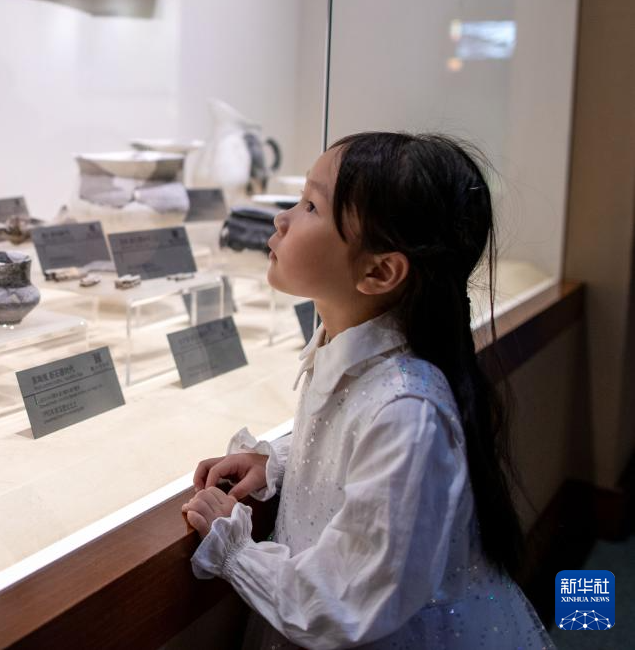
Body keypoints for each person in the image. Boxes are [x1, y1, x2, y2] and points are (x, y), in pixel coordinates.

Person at [182, 132, 555, 649]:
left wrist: (236, 552)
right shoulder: (352, 350)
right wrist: (282, 461)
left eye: (311, 206)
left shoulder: (406, 411)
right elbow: (353, 446)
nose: (281, 219)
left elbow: (348, 600)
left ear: (379, 271)